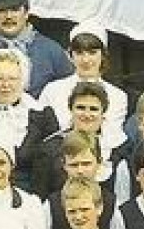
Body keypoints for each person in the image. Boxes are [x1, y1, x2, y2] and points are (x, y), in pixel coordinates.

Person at [0, 47, 59, 192]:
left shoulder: (42, 116)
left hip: (33, 195)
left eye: (12, 78)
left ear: (23, 79)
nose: (5, 85)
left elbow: (52, 164)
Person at [37, 22, 129, 156]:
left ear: (103, 55)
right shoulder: (52, 90)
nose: (86, 60)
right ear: (70, 55)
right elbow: (45, 134)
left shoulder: (117, 96)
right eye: (79, 53)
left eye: (92, 53)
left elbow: (111, 137)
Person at [33, 81, 122, 202]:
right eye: (80, 108)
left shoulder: (117, 148)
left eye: (93, 109)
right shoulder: (48, 150)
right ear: (71, 110)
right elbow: (40, 197)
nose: (86, 114)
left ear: (103, 113)